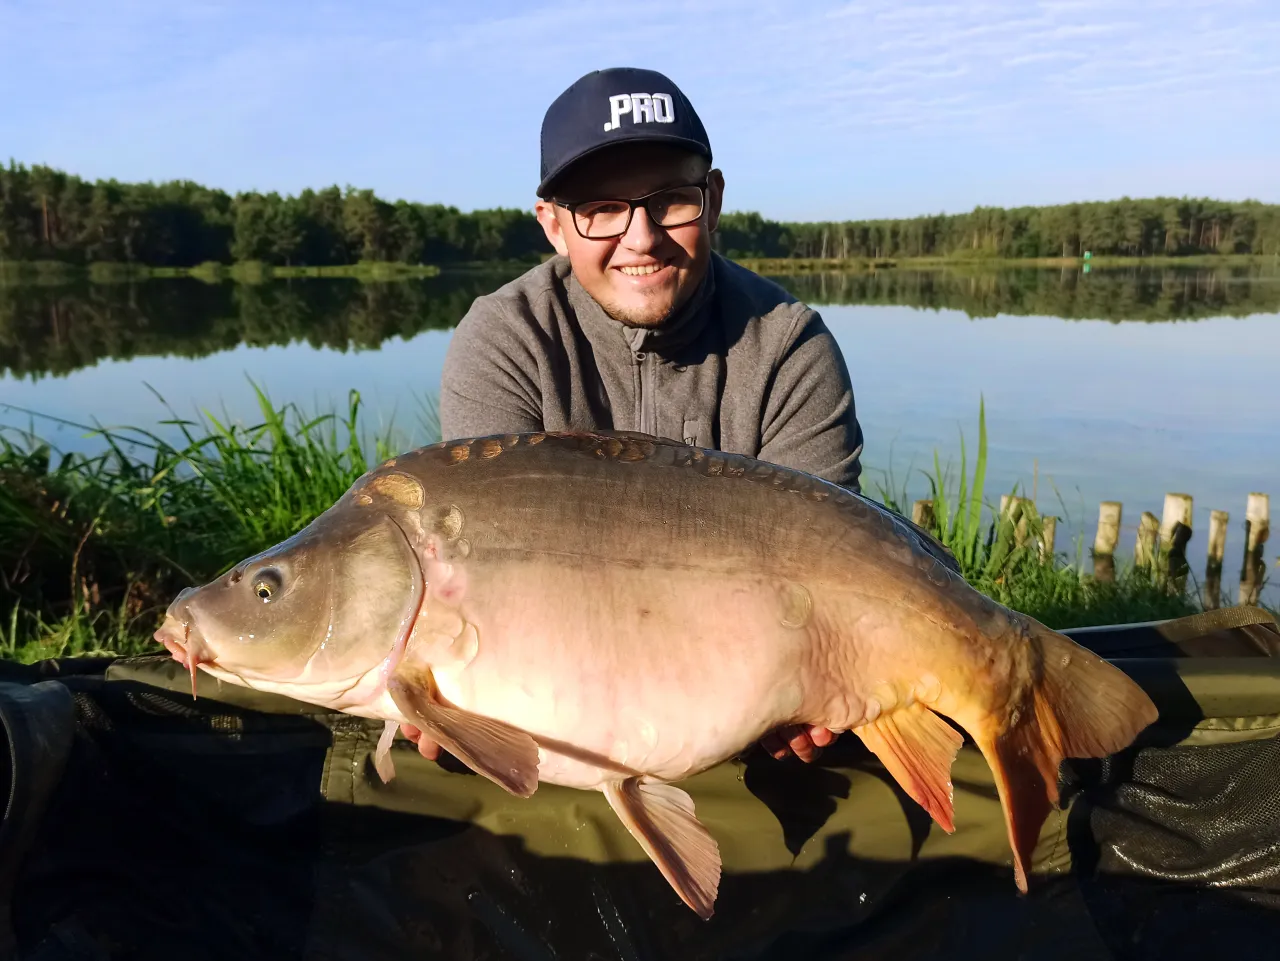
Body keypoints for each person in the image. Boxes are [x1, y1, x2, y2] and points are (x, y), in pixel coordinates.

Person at [404, 66, 866, 765]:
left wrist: (822, 676)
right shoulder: (503, 340)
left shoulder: (788, 344)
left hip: (753, 692)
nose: (641, 237)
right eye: (601, 208)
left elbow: (836, 575)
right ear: (553, 224)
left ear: (711, 200)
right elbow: (492, 582)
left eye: (670, 200)